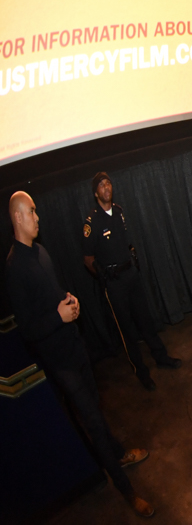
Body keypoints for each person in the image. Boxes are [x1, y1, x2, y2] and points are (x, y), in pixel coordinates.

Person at [6, 192, 155, 518]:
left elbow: (53, 294)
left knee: (96, 414)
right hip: (59, 361)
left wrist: (68, 300)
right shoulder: (14, 267)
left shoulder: (41, 252)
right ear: (18, 218)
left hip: (75, 346)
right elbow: (28, 329)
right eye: (31, 212)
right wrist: (57, 317)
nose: (37, 217)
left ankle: (116, 454)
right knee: (91, 418)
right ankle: (127, 491)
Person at [82, 172, 180, 391]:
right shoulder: (92, 221)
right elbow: (88, 260)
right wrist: (104, 276)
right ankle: (142, 373)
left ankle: (161, 357)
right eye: (101, 185)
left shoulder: (118, 211)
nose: (106, 187)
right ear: (96, 192)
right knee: (127, 330)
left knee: (145, 320)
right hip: (114, 282)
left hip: (130, 275)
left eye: (108, 182)